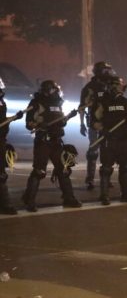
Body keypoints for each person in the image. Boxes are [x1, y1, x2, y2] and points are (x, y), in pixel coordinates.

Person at [22, 80, 82, 211]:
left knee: (63, 170)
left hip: (56, 141)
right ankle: (29, 200)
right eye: (55, 89)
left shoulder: (58, 103)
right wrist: (38, 124)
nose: (57, 92)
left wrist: (69, 117)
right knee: (39, 171)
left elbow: (61, 122)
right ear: (49, 90)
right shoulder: (36, 103)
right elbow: (28, 123)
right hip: (43, 141)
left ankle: (69, 198)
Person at [92, 77, 127, 205]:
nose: (121, 88)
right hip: (109, 140)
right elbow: (94, 121)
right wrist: (102, 130)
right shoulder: (102, 102)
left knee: (125, 167)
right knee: (106, 169)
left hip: (124, 139)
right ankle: (104, 195)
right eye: (118, 85)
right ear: (112, 86)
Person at [79, 61, 116, 190]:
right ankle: (90, 179)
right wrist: (82, 124)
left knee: (108, 152)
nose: (108, 73)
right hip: (95, 123)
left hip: (110, 124)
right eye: (105, 70)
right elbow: (82, 107)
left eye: (109, 70)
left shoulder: (112, 86)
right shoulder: (90, 87)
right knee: (93, 151)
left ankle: (106, 178)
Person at [0, 76, 24, 214]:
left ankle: (5, 204)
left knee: (1, 174)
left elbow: (3, 121)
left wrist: (14, 118)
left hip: (1, 140)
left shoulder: (2, 102)